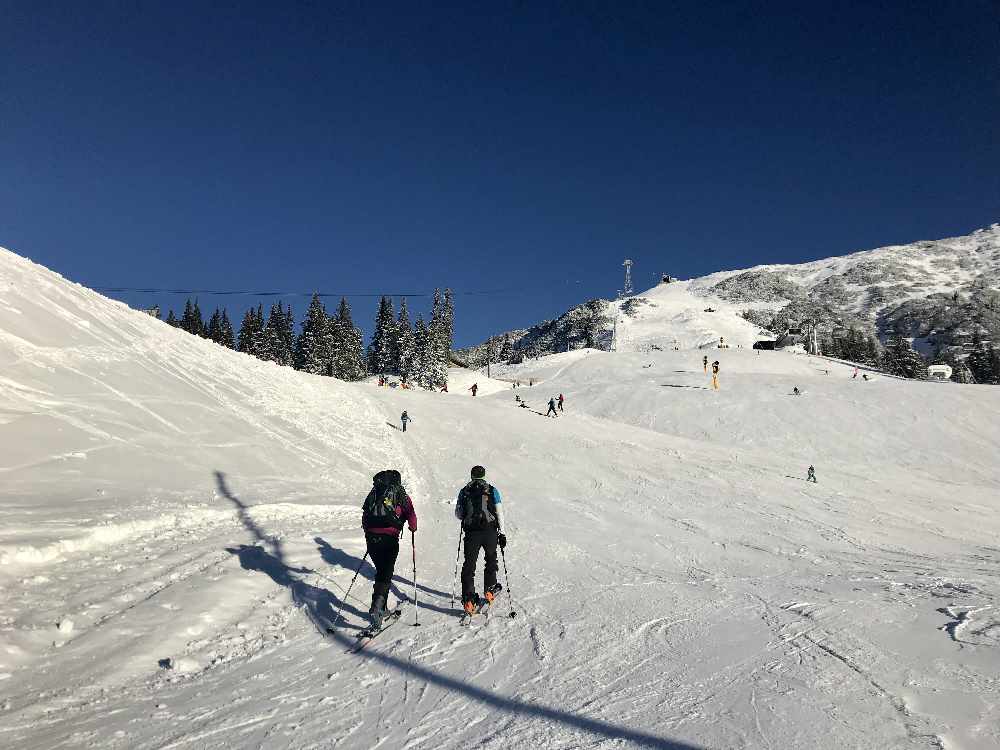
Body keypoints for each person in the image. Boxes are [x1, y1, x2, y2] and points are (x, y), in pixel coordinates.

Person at [361, 470, 417, 630]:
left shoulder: (374, 493)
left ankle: (382, 607)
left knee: (381, 571)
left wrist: (369, 533)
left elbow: (365, 515)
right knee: (386, 572)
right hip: (389, 537)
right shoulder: (401, 495)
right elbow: (411, 516)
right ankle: (377, 607)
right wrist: (413, 528)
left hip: (371, 537)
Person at [455, 466, 506, 614]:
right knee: (491, 559)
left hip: (471, 534)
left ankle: (469, 600)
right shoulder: (492, 490)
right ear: (484, 475)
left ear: (471, 476)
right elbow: (499, 512)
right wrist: (502, 533)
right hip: (490, 531)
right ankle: (490, 590)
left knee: (469, 565)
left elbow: (458, 513)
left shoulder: (464, 491)